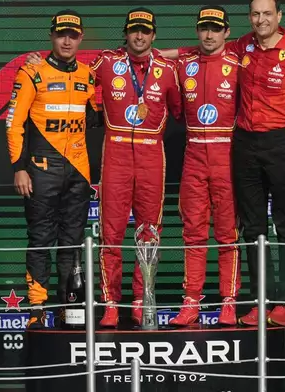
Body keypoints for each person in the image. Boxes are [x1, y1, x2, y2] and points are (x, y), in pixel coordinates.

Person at [165, 0, 285, 328]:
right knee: (252, 228)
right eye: (255, 14)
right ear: (249, 18)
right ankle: (260, 303)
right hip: (245, 144)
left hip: (284, 142)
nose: (261, 19)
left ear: (279, 16)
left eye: (268, 14)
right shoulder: (242, 46)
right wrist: (150, 53)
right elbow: (195, 49)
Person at [6, 9, 101, 329]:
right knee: (41, 238)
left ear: (80, 38)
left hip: (79, 171)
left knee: (72, 240)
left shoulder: (89, 75)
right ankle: (37, 307)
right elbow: (13, 124)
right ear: (52, 36)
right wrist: (19, 167)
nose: (66, 40)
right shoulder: (32, 72)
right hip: (41, 169)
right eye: (61, 34)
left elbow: (96, 117)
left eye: (73, 35)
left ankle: (67, 306)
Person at [91, 8, 182, 328]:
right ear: (126, 33)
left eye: (145, 31)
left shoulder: (169, 69)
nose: (139, 36)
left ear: (154, 35)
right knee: (111, 235)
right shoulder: (105, 63)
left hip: (151, 158)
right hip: (115, 156)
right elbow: (70, 72)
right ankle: (111, 303)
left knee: (149, 234)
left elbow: (179, 110)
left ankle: (143, 301)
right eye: (133, 31)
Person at [168, 5, 241, 327]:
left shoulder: (239, 63)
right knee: (193, 233)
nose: (209, 35)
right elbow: (147, 56)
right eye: (204, 28)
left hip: (228, 154)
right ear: (197, 31)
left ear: (227, 31)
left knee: (227, 234)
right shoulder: (183, 63)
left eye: (215, 28)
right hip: (194, 153)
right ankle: (191, 302)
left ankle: (229, 302)